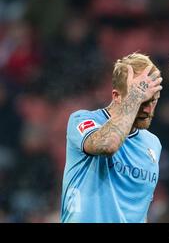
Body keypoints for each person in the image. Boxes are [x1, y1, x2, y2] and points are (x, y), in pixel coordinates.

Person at [60, 52, 163, 223]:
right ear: (116, 96)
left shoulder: (153, 144)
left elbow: (139, 210)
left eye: (154, 101)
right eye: (143, 102)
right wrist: (135, 96)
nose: (149, 110)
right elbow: (107, 145)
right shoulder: (83, 120)